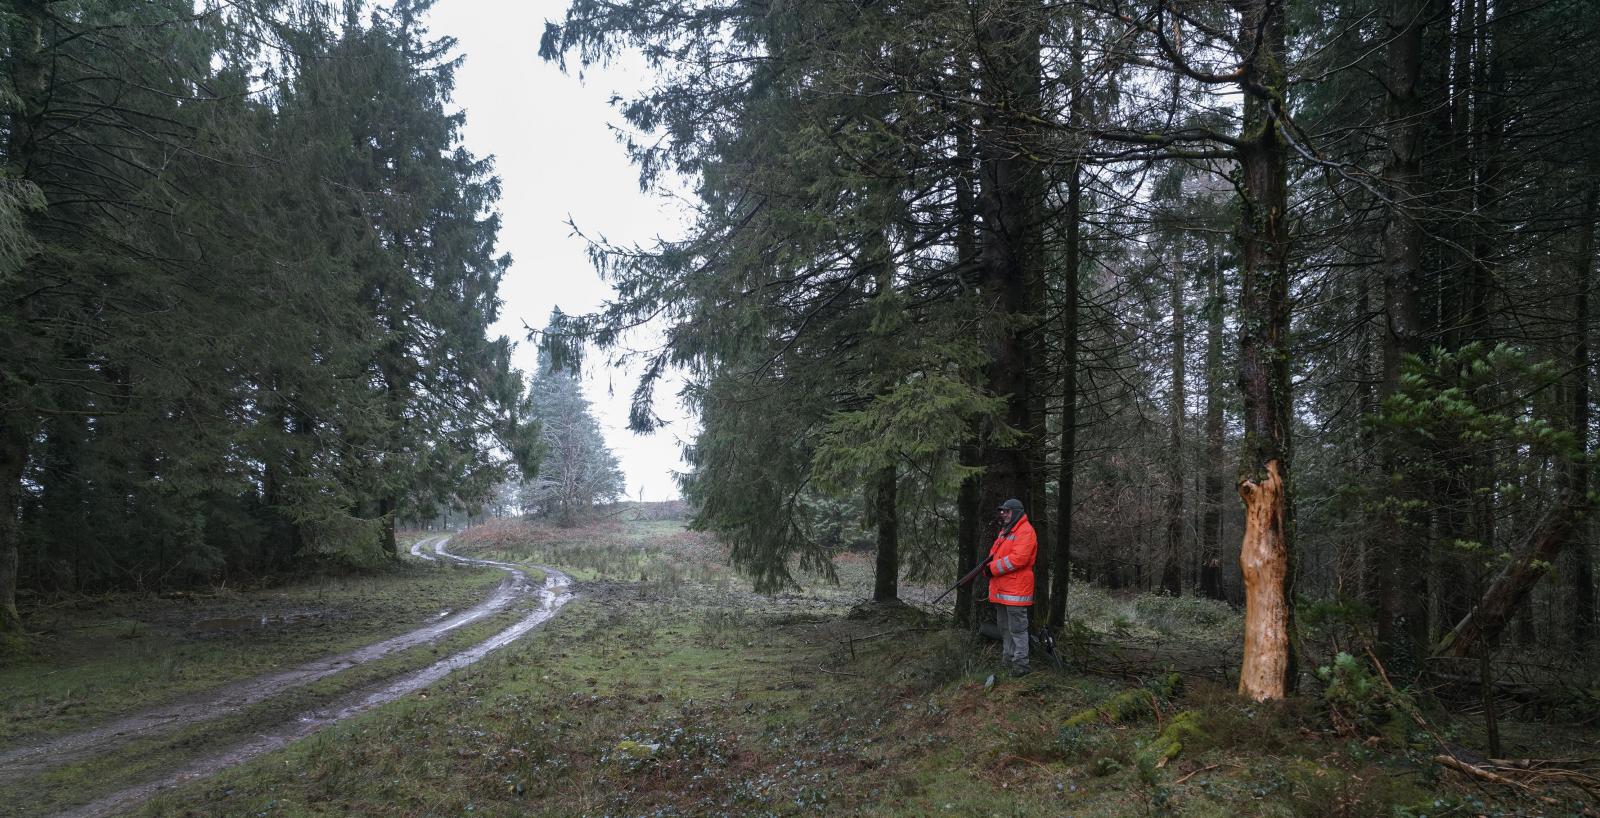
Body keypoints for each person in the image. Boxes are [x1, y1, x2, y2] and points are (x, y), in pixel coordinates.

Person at [985, 497, 1037, 676]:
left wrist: (992, 569)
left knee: (1017, 629)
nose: (1003, 514)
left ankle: (1021, 665)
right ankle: (1008, 660)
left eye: (1007, 511)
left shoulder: (1026, 531)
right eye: (1002, 511)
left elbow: (1018, 559)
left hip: (1016, 590)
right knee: (1004, 628)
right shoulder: (1006, 531)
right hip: (1003, 590)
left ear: (1016, 512)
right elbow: (994, 555)